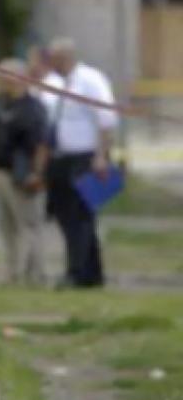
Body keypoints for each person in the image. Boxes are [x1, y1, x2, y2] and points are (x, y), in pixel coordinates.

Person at [46, 38, 119, 288]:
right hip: (63, 158)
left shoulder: (90, 79)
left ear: (64, 57)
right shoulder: (60, 83)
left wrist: (101, 156)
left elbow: (106, 119)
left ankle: (78, 273)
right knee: (68, 217)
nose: (49, 63)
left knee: (81, 218)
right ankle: (89, 272)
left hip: (85, 157)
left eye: (53, 58)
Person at [0, 59, 51, 285]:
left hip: (22, 176)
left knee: (29, 226)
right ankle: (13, 272)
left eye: (5, 75)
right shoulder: (5, 106)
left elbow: (42, 145)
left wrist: (37, 174)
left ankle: (35, 274)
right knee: (7, 228)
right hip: (2, 174)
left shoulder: (32, 108)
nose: (1, 80)